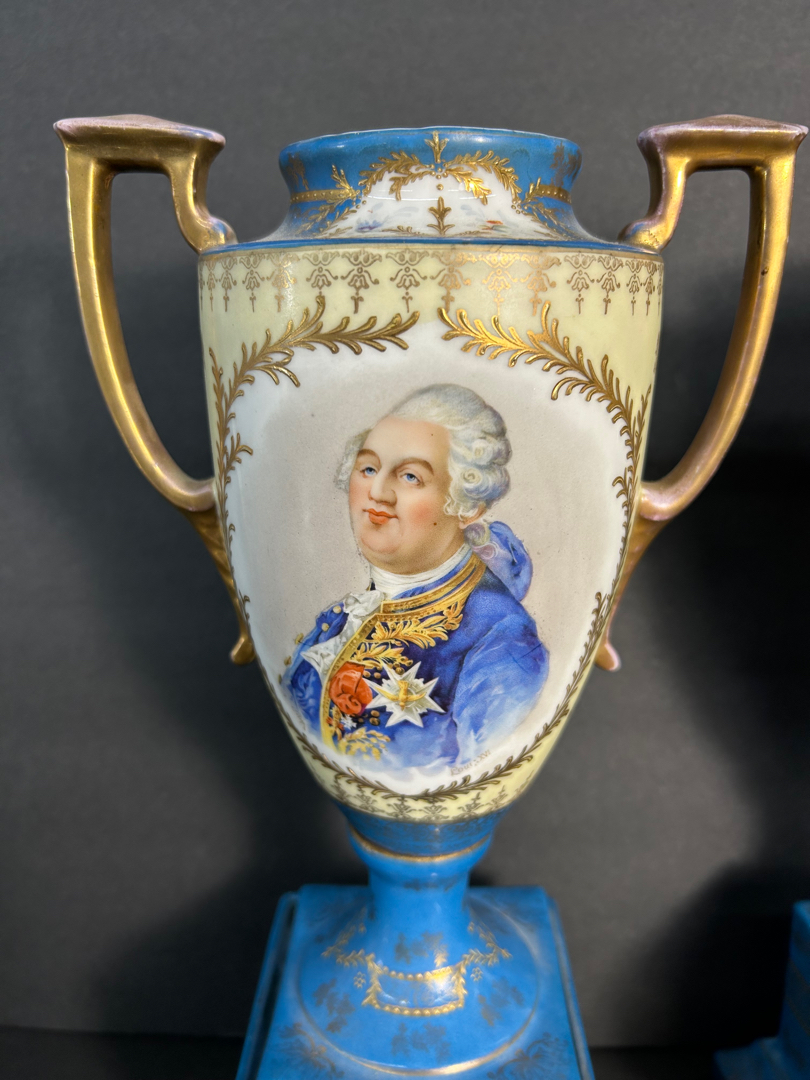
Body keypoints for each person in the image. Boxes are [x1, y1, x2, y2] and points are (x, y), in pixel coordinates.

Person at [283, 384, 548, 771]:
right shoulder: (345, 616)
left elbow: (468, 775)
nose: (377, 492)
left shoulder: (502, 640)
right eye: (368, 468)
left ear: (467, 504)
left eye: (410, 477)